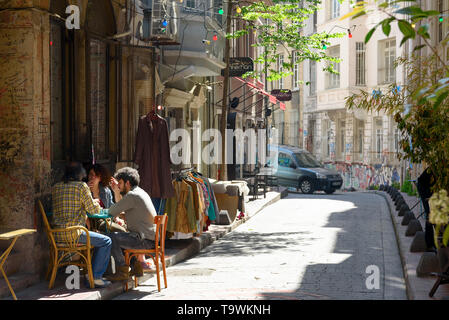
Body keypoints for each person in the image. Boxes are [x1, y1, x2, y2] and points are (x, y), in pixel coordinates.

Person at [52, 162, 112, 288]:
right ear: (79, 174)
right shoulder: (81, 186)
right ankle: (95, 277)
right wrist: (94, 201)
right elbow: (93, 210)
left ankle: (89, 274)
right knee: (106, 240)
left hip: (56, 235)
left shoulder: (56, 187)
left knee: (98, 237)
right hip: (75, 234)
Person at [106, 167, 157, 281]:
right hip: (149, 238)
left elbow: (112, 211)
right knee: (121, 234)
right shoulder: (140, 192)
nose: (118, 186)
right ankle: (135, 267)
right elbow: (122, 209)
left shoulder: (132, 195)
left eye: (120, 183)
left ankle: (121, 270)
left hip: (143, 240)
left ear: (127, 183)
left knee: (111, 238)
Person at [87, 164, 126, 231]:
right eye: (90, 174)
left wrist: (116, 191)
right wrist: (85, 189)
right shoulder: (84, 189)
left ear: (100, 178)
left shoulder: (105, 191)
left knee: (125, 227)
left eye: (96, 175)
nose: (92, 177)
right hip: (94, 223)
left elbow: (112, 207)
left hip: (107, 220)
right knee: (121, 230)